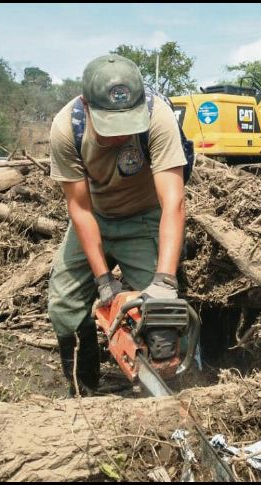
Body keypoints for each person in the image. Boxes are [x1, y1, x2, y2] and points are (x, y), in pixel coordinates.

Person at [48, 54, 187, 395]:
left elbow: (174, 202)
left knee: (159, 314)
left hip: (144, 218)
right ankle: (83, 390)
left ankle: (171, 388)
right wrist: (103, 281)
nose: (120, 134)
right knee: (64, 303)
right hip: (93, 218)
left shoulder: (159, 119)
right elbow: (79, 209)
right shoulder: (67, 128)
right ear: (87, 105)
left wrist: (165, 283)